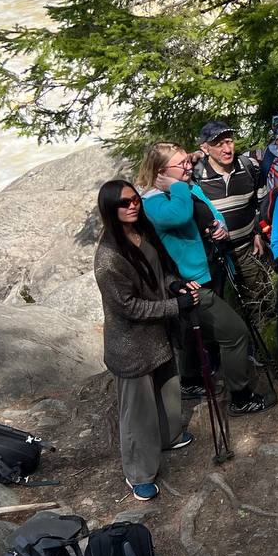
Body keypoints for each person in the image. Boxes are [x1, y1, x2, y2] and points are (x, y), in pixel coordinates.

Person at [137, 143, 275, 414]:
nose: (190, 167)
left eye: (189, 161)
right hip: (189, 282)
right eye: (182, 164)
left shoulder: (187, 188)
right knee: (234, 333)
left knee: (192, 330)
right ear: (162, 171)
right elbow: (179, 215)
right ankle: (241, 397)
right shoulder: (152, 202)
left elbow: (213, 213)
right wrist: (175, 186)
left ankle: (190, 381)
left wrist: (220, 229)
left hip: (210, 270)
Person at [94, 179, 198, 501]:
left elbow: (159, 272)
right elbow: (128, 307)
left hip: (158, 332)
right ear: (111, 210)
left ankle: (169, 436)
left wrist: (175, 285)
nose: (133, 205)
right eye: (124, 203)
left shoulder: (143, 232)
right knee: (137, 412)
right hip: (131, 344)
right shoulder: (108, 259)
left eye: (135, 199)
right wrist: (174, 306)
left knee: (167, 390)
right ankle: (138, 472)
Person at [191, 120, 273, 329]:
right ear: (205, 148)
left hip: (247, 248)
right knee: (223, 306)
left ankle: (262, 341)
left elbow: (261, 202)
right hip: (213, 254)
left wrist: (257, 232)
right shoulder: (195, 175)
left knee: (258, 299)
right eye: (219, 144)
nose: (227, 149)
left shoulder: (249, 167)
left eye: (229, 142)